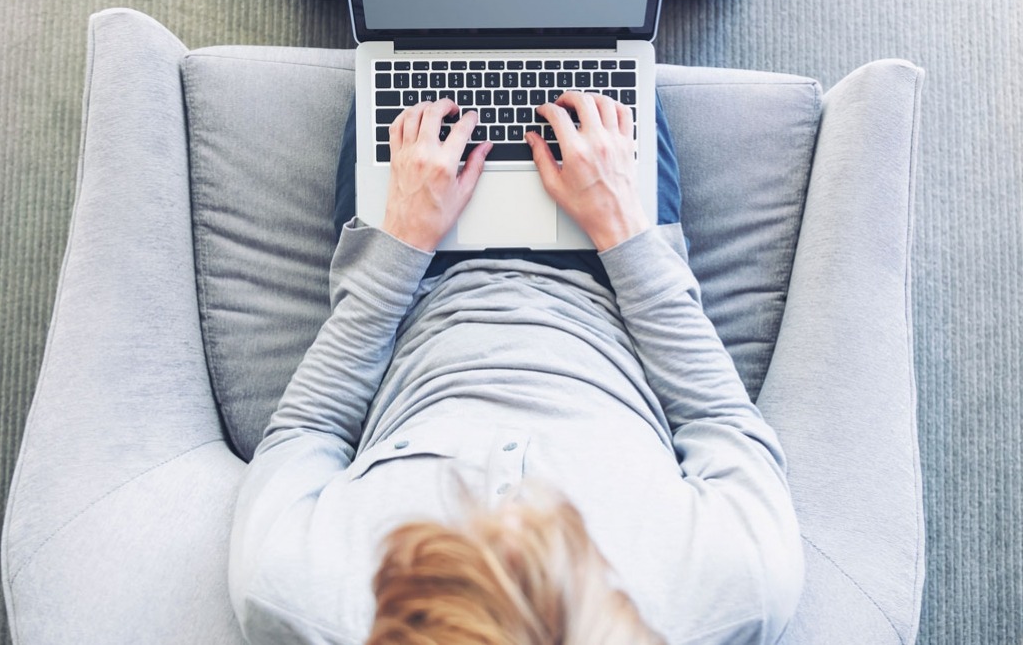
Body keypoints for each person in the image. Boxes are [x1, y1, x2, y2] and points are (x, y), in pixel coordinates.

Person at [228, 92, 804, 644]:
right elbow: (719, 420)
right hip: (613, 271)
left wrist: (403, 239)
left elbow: (310, 431)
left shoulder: (291, 595)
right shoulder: (739, 590)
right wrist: (622, 229)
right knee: (599, 25)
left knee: (413, 30)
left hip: (415, 276)